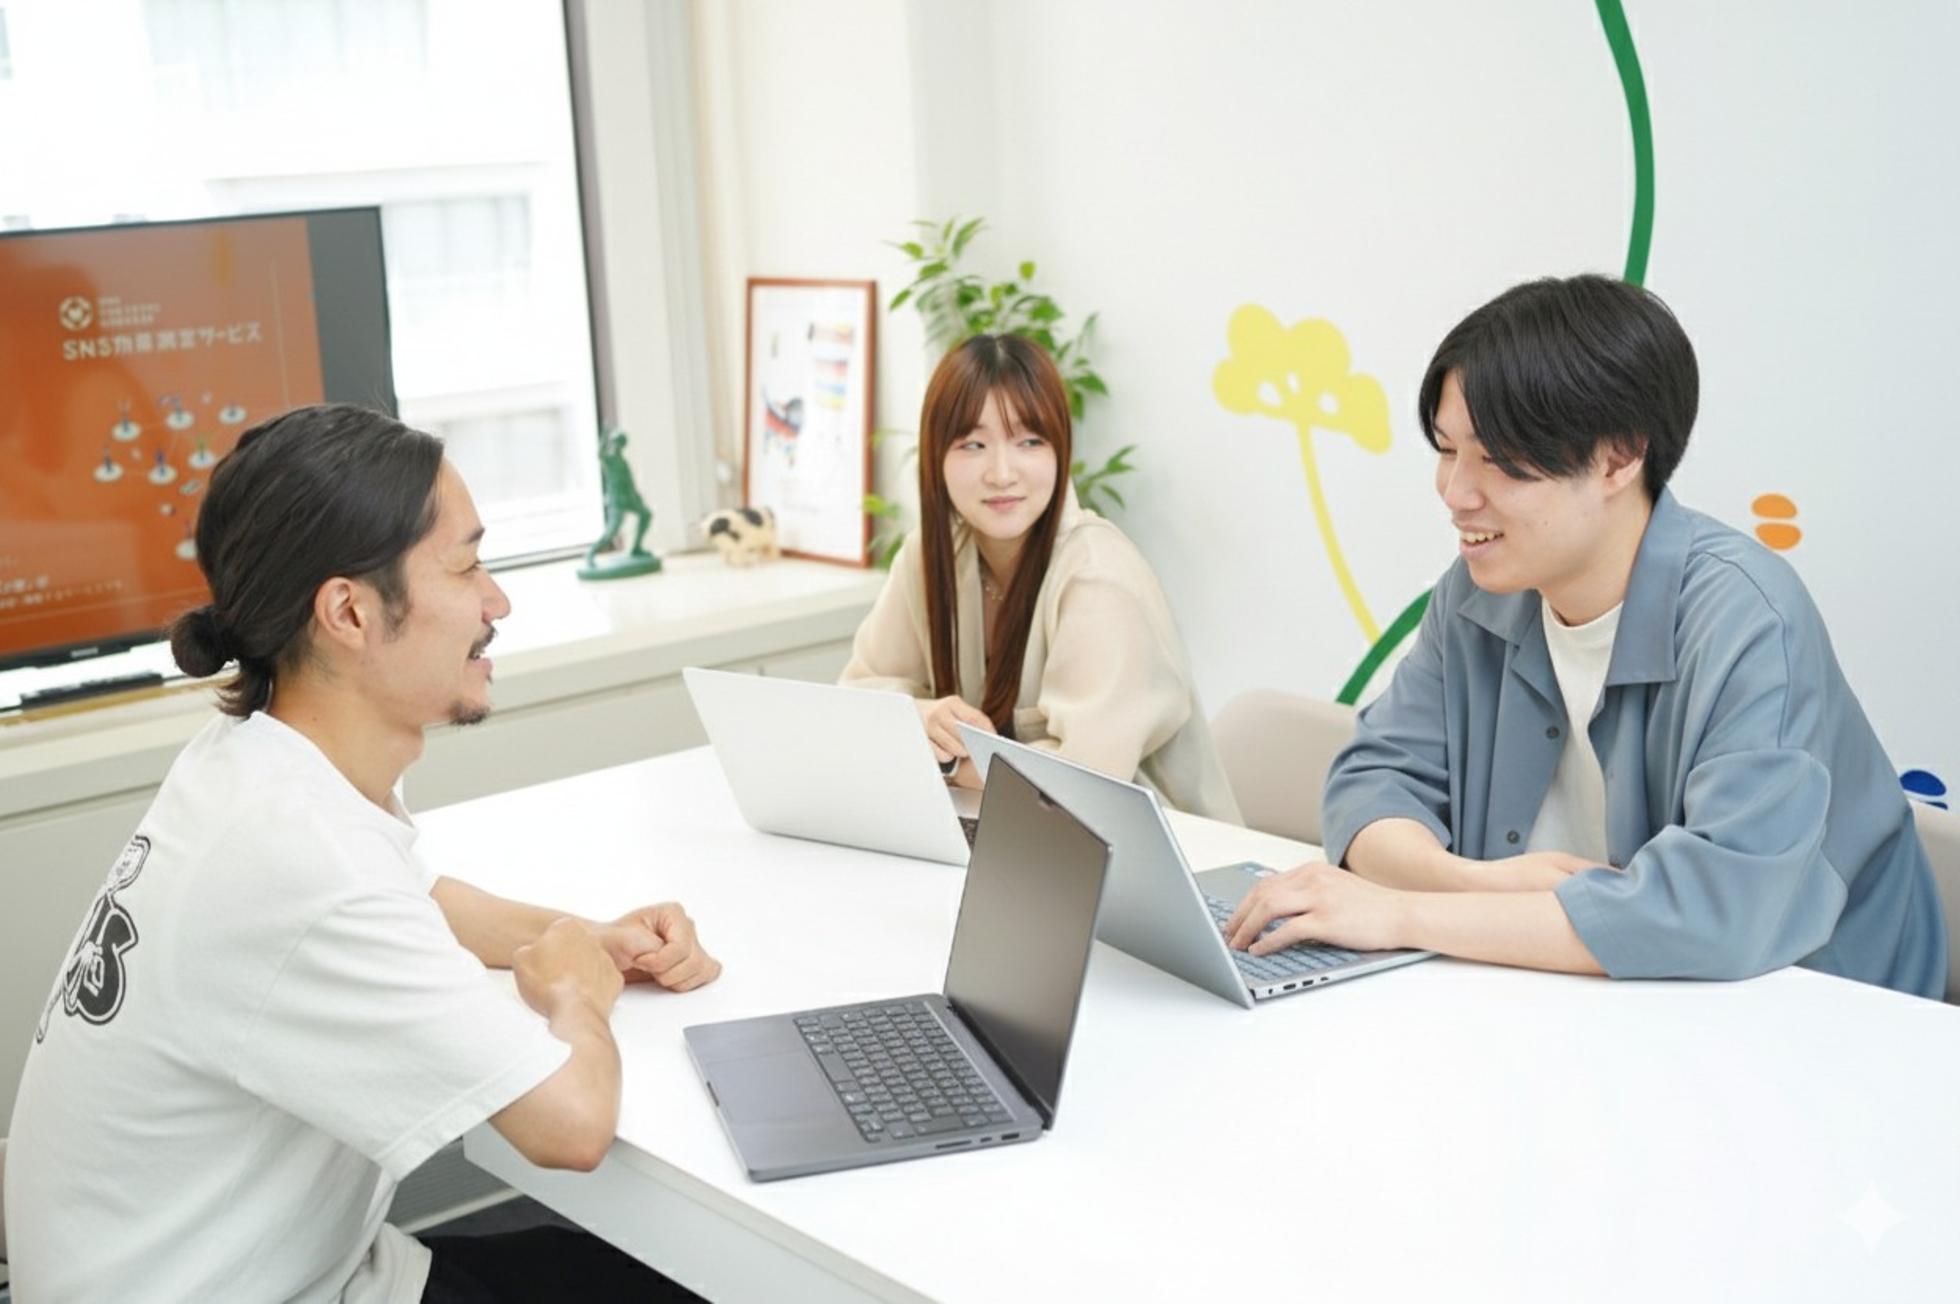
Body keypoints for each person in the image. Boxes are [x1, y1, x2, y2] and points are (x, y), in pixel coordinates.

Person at [5, 405, 720, 1303]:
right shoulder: (301, 860)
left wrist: (590, 935)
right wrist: (576, 993)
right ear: (348, 611)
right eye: (465, 566)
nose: (497, 601)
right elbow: (570, 1128)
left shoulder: (258, 763)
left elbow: (413, 895)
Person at [1226, 275, 1945, 997]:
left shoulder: (1748, 618)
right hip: (1567, 1003)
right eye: (1447, 450)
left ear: (1619, 458)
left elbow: (1715, 910)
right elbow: (1374, 781)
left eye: (1497, 459)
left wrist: (1404, 913)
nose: (1456, 492)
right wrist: (1470, 884)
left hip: (1806, 1018)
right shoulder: (1480, 590)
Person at [841, 334, 1239, 821]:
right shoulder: (930, 555)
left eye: (1029, 441)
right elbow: (855, 700)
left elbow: (1082, 782)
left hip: (1154, 845)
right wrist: (924, 717)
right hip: (1011, 832)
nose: (1001, 473)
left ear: (1060, 450)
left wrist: (946, 757)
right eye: (972, 444)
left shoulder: (1098, 577)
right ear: (935, 456)